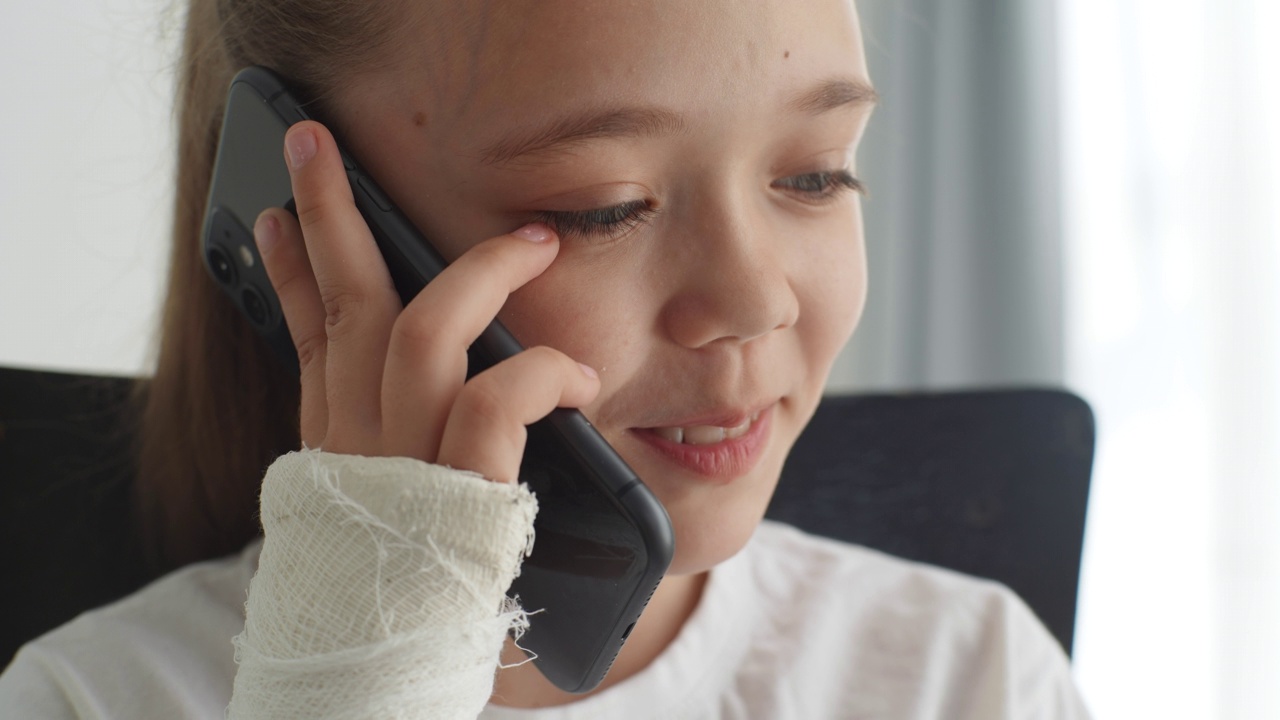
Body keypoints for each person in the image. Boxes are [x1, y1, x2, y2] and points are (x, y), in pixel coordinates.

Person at [0, 0, 1092, 717]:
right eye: (602, 208)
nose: (754, 300)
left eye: (813, 175)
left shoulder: (969, 678)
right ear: (329, 232)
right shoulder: (90, 699)